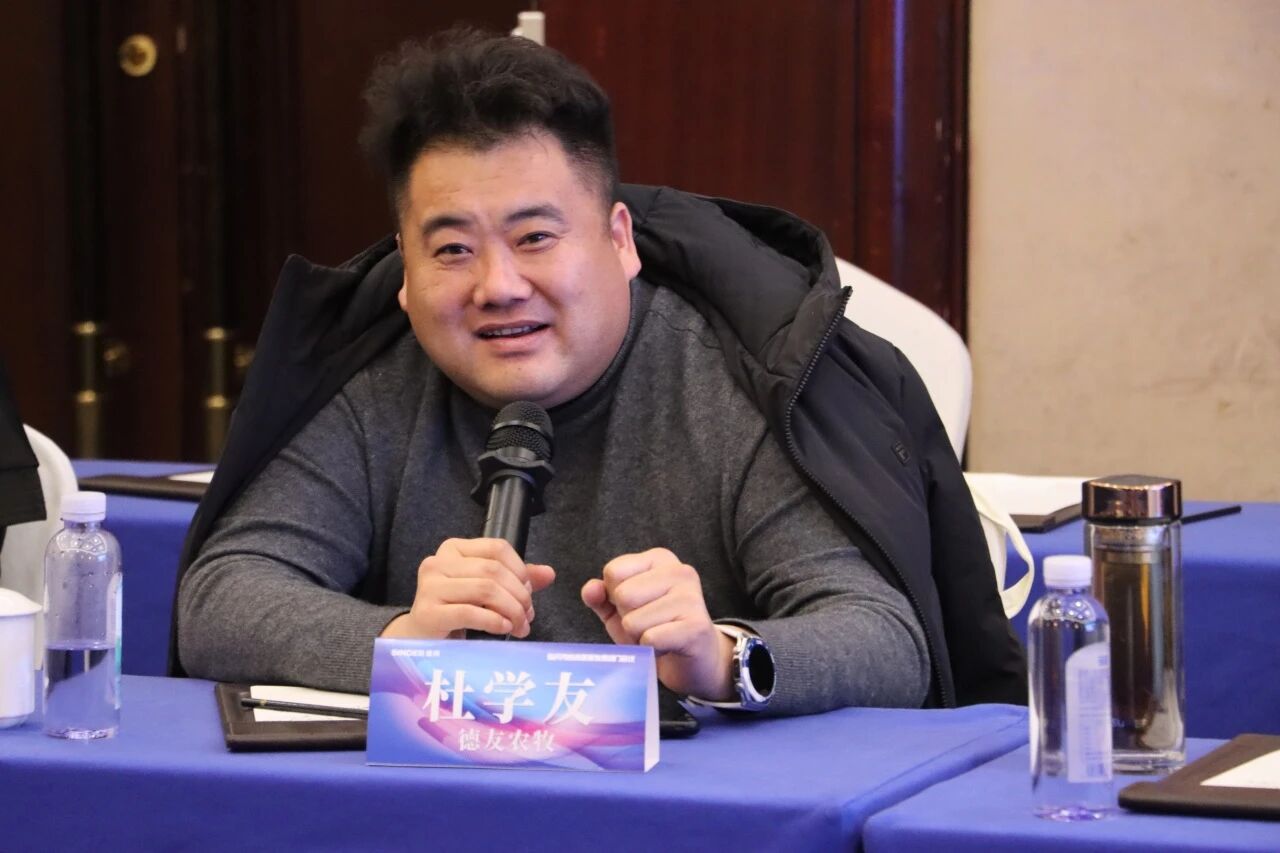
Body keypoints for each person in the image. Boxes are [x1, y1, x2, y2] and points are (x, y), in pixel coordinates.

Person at [175, 29, 1024, 715]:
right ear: (404, 269)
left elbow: (885, 635)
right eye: (453, 249)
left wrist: (718, 654)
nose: (498, 286)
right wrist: (401, 641)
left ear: (619, 240)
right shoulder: (378, 378)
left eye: (536, 238)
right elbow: (221, 595)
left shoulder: (731, 376)